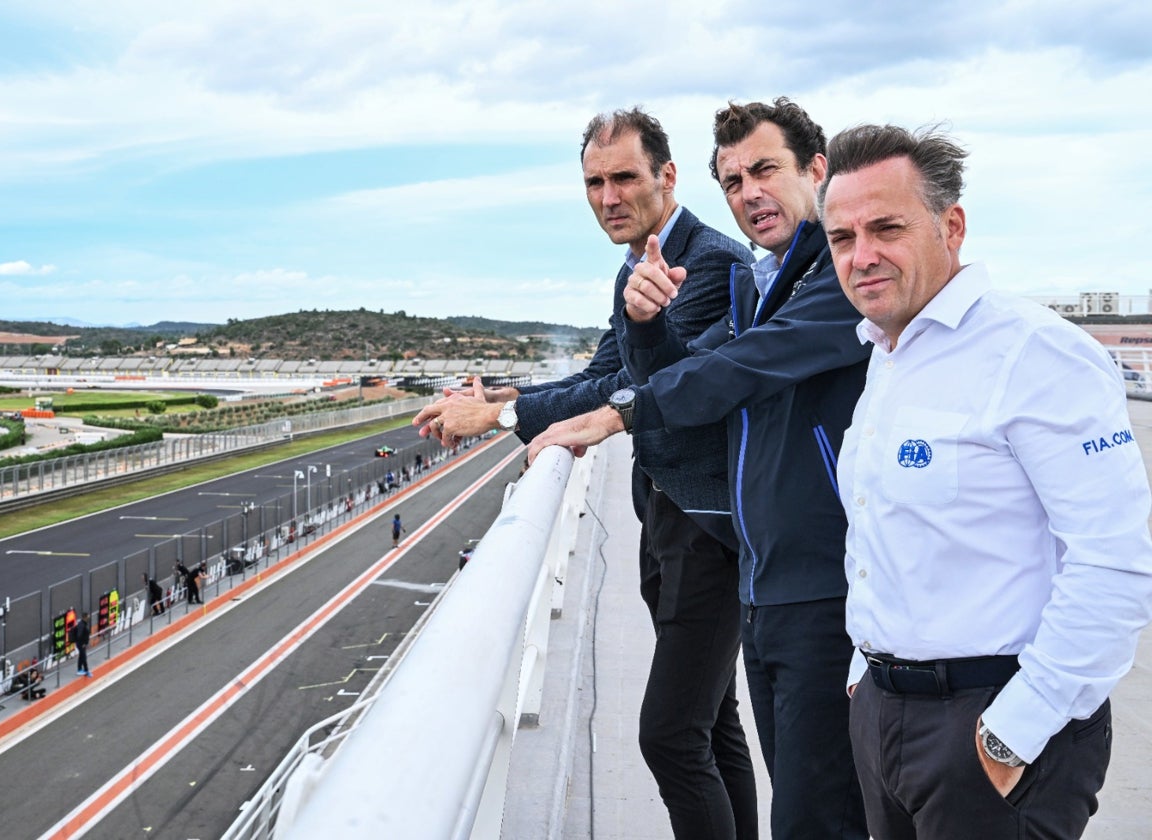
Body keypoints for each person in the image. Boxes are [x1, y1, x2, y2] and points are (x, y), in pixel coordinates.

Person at [528, 98, 870, 838]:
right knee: (776, 782)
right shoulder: (758, 281)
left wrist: (619, 411)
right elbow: (694, 375)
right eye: (734, 179)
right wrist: (646, 329)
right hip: (762, 574)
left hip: (820, 582)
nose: (749, 192)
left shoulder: (836, 278)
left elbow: (742, 366)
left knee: (811, 808)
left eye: (765, 170)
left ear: (817, 170)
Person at [414, 108, 758, 839]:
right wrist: (501, 400)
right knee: (710, 719)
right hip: (669, 515)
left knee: (669, 737)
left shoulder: (709, 265)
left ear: (667, 176)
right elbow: (606, 374)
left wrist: (503, 422)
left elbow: (649, 395)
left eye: (625, 177)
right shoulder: (640, 260)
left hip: (708, 529)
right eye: (594, 182)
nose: (608, 197)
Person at [818, 122, 1152, 838]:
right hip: (883, 714)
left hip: (997, 726)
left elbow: (1116, 563)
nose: (862, 255)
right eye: (842, 238)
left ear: (952, 225)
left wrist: (1013, 732)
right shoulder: (886, 354)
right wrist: (865, 673)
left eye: (886, 228)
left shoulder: (1037, 354)